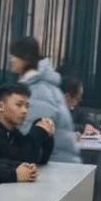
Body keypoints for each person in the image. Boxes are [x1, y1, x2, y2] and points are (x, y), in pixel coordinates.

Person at [9, 36, 81, 164]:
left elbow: (33, 135)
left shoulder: (38, 90)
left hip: (57, 164)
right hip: (55, 162)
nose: (11, 59)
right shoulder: (38, 85)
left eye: (15, 55)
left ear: (25, 59)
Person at [0, 83, 55, 165]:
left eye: (26, 106)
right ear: (1, 106)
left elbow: (39, 159)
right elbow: (23, 161)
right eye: (19, 105)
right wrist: (39, 132)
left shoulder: (10, 130)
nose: (25, 111)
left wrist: (46, 131)